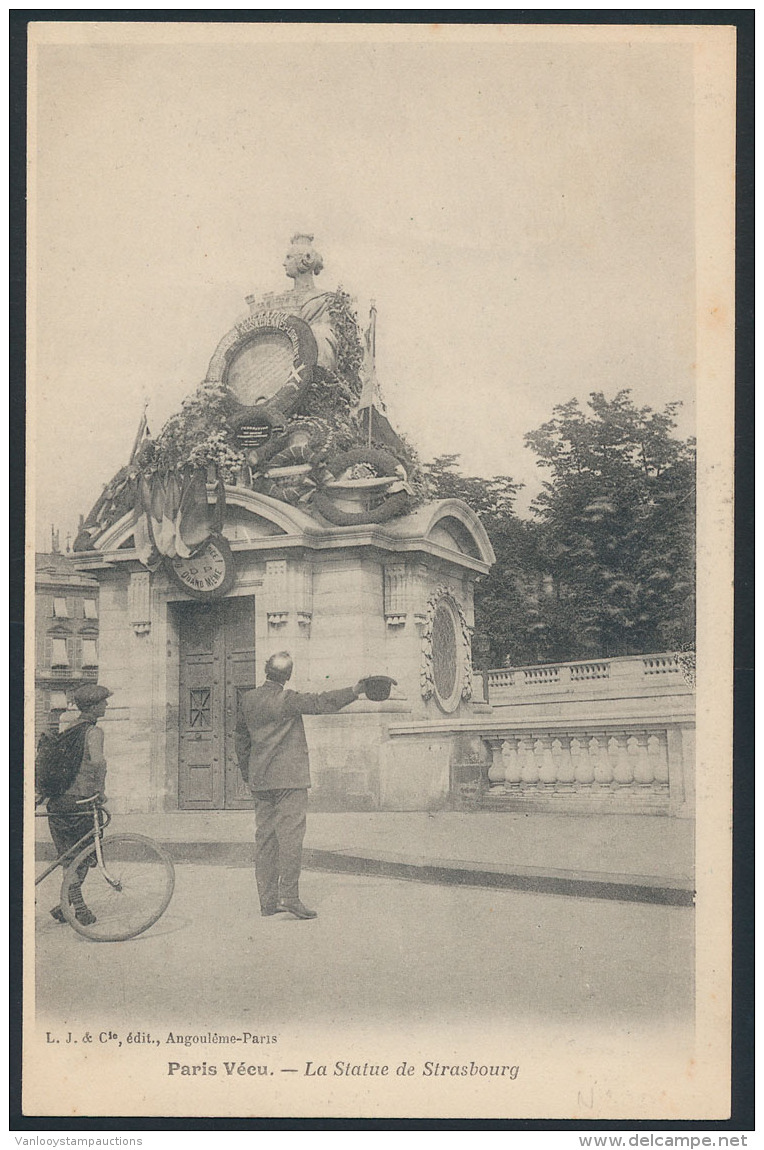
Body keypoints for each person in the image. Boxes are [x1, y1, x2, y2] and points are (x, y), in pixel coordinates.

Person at [235, 652, 370, 920]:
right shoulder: (287, 700)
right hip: (289, 780)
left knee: (265, 839)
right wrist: (355, 691)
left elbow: (240, 739)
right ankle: (290, 897)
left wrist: (248, 774)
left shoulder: (247, 700)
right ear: (287, 675)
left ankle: (267, 902)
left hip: (260, 780)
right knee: (290, 839)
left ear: (266, 671)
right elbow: (322, 702)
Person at [48, 683, 112, 926]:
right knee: (81, 857)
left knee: (70, 857)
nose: (106, 705)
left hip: (59, 803)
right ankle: (79, 908)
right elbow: (98, 764)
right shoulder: (94, 732)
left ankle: (65, 904)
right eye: (103, 702)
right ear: (94, 706)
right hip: (81, 802)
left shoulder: (69, 727)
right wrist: (101, 792)